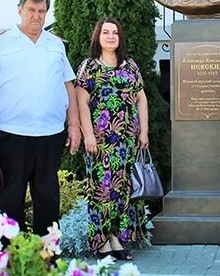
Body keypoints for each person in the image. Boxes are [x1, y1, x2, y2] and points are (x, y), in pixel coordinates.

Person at [0, 0, 81, 235]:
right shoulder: (1, 44)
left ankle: (48, 256)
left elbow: (69, 87)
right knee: (10, 199)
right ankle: (8, 257)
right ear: (20, 9)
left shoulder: (55, 45)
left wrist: (73, 126)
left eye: (41, 11)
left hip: (50, 134)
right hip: (12, 134)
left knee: (48, 199)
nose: (36, 16)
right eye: (31, 10)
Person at [75, 18, 149, 260]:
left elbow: (141, 99)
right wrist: (88, 135)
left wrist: (144, 131)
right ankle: (101, 242)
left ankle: (118, 238)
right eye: (105, 32)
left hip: (127, 141)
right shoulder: (89, 67)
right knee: (102, 191)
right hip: (100, 143)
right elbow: (81, 103)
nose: (110, 36)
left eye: (115, 33)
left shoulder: (130, 66)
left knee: (125, 191)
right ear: (98, 36)